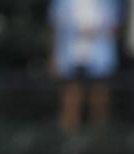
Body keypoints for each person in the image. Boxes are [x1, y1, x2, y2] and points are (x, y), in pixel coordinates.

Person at [49, 0, 121, 135]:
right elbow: (56, 28)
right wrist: (54, 57)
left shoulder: (109, 2)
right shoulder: (62, 3)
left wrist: (96, 31)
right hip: (71, 57)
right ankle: (67, 140)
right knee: (71, 98)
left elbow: (115, 27)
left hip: (100, 59)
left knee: (98, 99)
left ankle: (99, 140)